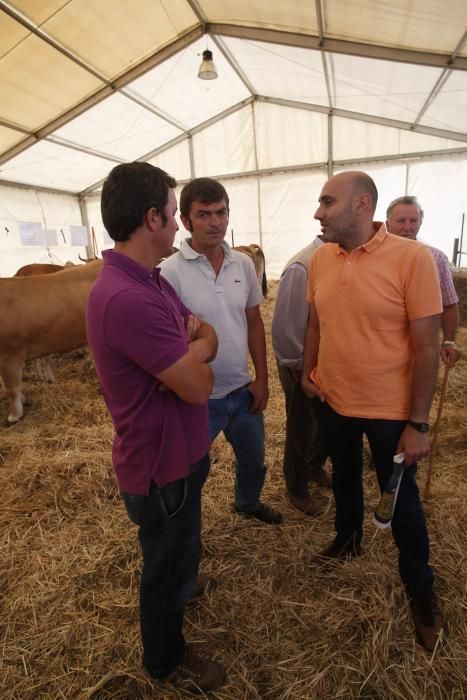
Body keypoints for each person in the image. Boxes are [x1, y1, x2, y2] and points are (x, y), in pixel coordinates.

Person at [85, 162, 226, 694]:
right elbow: (197, 387)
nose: (179, 224)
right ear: (152, 218)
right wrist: (194, 363)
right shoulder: (127, 299)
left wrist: (194, 353)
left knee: (182, 543)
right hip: (159, 465)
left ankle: (186, 580)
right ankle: (165, 660)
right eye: (174, 213)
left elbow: (204, 335)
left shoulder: (150, 281)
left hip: (182, 451)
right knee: (161, 568)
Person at [302, 171, 444, 653]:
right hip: (336, 399)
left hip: (390, 411)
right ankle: (348, 539)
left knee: (402, 505)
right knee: (343, 476)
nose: (318, 212)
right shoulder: (321, 258)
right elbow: (316, 318)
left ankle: (420, 591)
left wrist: (417, 423)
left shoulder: (413, 259)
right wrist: (309, 370)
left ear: (361, 205)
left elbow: (428, 345)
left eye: (327, 202)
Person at [160, 177, 282, 525]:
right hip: (199, 398)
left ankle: (247, 502)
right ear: (185, 221)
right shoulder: (169, 273)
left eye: (221, 212)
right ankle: (187, 532)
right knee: (193, 471)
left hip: (242, 391)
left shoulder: (243, 264)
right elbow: (169, 342)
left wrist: (262, 378)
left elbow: (254, 322)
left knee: (254, 460)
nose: (215, 222)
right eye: (204, 215)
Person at [271, 236, 332, 516]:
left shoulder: (338, 257)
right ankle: (296, 487)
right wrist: (299, 368)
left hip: (329, 363)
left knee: (325, 421)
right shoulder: (303, 265)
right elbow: (286, 324)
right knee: (302, 424)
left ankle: (314, 466)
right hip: (302, 364)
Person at [386, 196, 460, 367]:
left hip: (419, 349)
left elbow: (449, 305)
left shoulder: (437, 258)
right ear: (387, 223)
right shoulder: (372, 257)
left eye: (413, 221)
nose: (407, 227)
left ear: (420, 223)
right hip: (380, 347)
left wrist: (449, 341)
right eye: (401, 221)